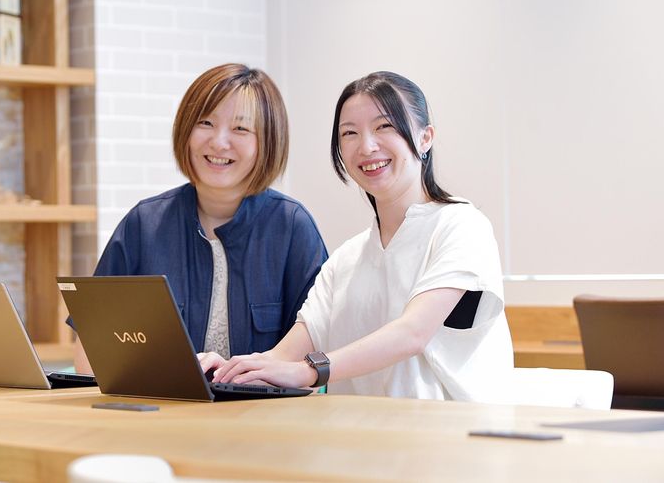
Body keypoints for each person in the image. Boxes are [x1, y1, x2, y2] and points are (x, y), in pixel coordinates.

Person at [201, 71, 513, 402]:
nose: (366, 146)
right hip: (361, 429)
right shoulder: (346, 259)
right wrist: (225, 370)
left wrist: (311, 371)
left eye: (385, 126)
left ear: (425, 138)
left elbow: (413, 333)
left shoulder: (461, 225)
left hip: (452, 428)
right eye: (349, 133)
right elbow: (282, 357)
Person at [73, 63, 328, 374]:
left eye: (240, 128)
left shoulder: (292, 228)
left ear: (268, 142)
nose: (219, 142)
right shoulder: (144, 224)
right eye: (206, 122)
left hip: (262, 404)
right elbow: (90, 344)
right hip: (161, 404)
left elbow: (319, 348)